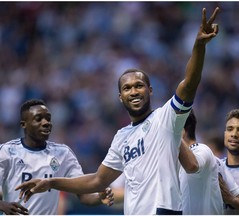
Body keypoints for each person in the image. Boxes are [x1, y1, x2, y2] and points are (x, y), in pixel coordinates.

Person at [15, 7, 220, 215]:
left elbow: (189, 84)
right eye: (127, 88)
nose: (134, 91)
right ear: (120, 96)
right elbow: (97, 180)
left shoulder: (165, 118)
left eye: (139, 86)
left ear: (150, 90)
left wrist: (199, 46)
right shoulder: (122, 137)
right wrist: (51, 183)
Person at [0, 99, 114, 215]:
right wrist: (2, 204)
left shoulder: (63, 153)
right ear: (23, 124)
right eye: (38, 119)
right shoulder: (7, 152)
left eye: (48, 118)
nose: (46, 123)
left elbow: (84, 196)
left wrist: (99, 198)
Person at [178, 110, 239, 214]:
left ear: (181, 132)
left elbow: (192, 166)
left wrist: (174, 133)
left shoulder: (201, 150)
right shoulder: (178, 162)